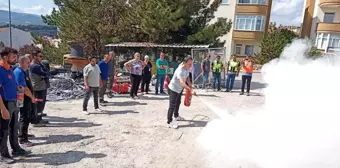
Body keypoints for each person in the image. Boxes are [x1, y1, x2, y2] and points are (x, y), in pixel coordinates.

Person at [0, 47, 31, 164]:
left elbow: (8, 85)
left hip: (13, 102)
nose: (15, 59)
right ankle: (3, 154)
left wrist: (17, 88)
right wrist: (3, 109)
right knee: (3, 131)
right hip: (5, 103)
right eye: (13, 57)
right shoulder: (0, 70)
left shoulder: (10, 70)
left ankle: (16, 149)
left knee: (14, 128)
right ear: (5, 57)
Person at [167, 57, 195, 129]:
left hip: (179, 89)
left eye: (191, 64)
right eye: (189, 64)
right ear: (184, 63)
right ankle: (169, 122)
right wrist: (190, 90)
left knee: (178, 102)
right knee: (172, 106)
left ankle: (176, 116)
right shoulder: (180, 70)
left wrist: (190, 85)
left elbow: (187, 77)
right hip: (173, 89)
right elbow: (182, 82)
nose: (190, 65)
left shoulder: (187, 68)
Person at [14, 56, 36, 147]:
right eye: (27, 63)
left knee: (26, 116)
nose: (29, 64)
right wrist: (32, 97)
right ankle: (22, 139)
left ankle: (24, 133)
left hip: (26, 98)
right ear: (22, 63)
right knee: (24, 117)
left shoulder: (24, 71)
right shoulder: (19, 72)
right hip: (22, 98)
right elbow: (24, 88)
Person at [29, 50, 50, 125]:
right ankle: (36, 121)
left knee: (41, 104)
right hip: (38, 87)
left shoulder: (39, 64)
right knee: (38, 104)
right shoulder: (34, 66)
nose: (41, 58)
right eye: (40, 56)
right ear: (34, 57)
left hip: (41, 86)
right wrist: (48, 73)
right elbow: (44, 74)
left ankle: (39, 118)